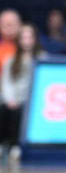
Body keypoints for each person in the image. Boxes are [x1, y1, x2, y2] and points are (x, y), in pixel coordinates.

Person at [1, 24, 42, 165]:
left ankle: (16, 145)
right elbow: (7, 83)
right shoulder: (11, 61)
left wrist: (24, 100)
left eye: (29, 37)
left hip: (30, 99)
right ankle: (4, 143)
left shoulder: (42, 59)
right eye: (23, 37)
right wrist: (10, 99)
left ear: (35, 39)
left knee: (21, 111)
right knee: (5, 108)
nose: (26, 41)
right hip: (13, 98)